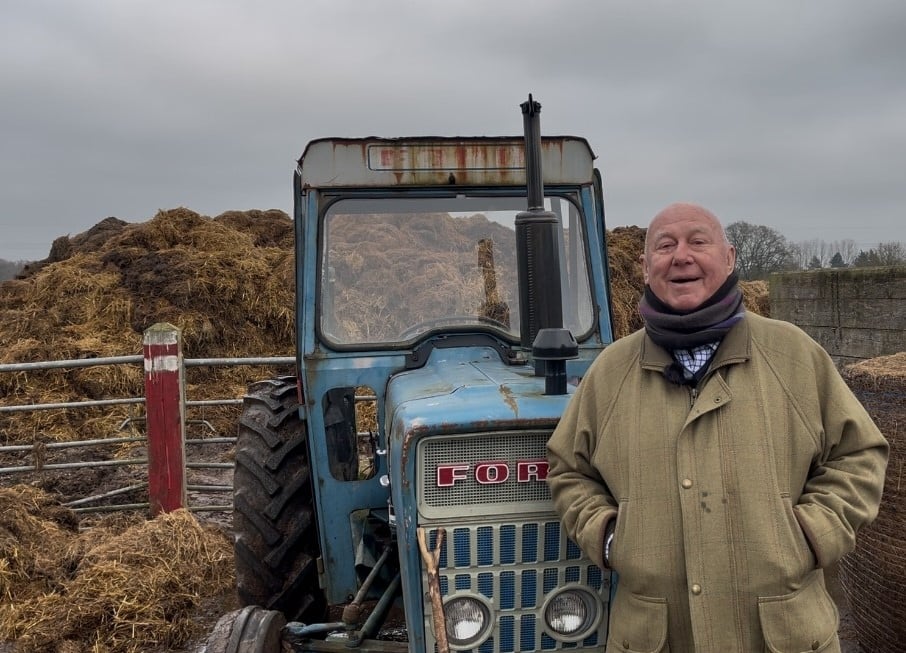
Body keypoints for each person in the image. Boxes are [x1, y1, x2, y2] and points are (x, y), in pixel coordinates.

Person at [546, 202, 888, 652]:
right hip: (656, 636)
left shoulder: (794, 355)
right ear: (646, 268)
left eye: (698, 242)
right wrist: (610, 537)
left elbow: (858, 454)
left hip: (783, 632)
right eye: (665, 246)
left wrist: (809, 535)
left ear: (728, 258)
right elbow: (569, 470)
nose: (681, 256)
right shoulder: (610, 373)